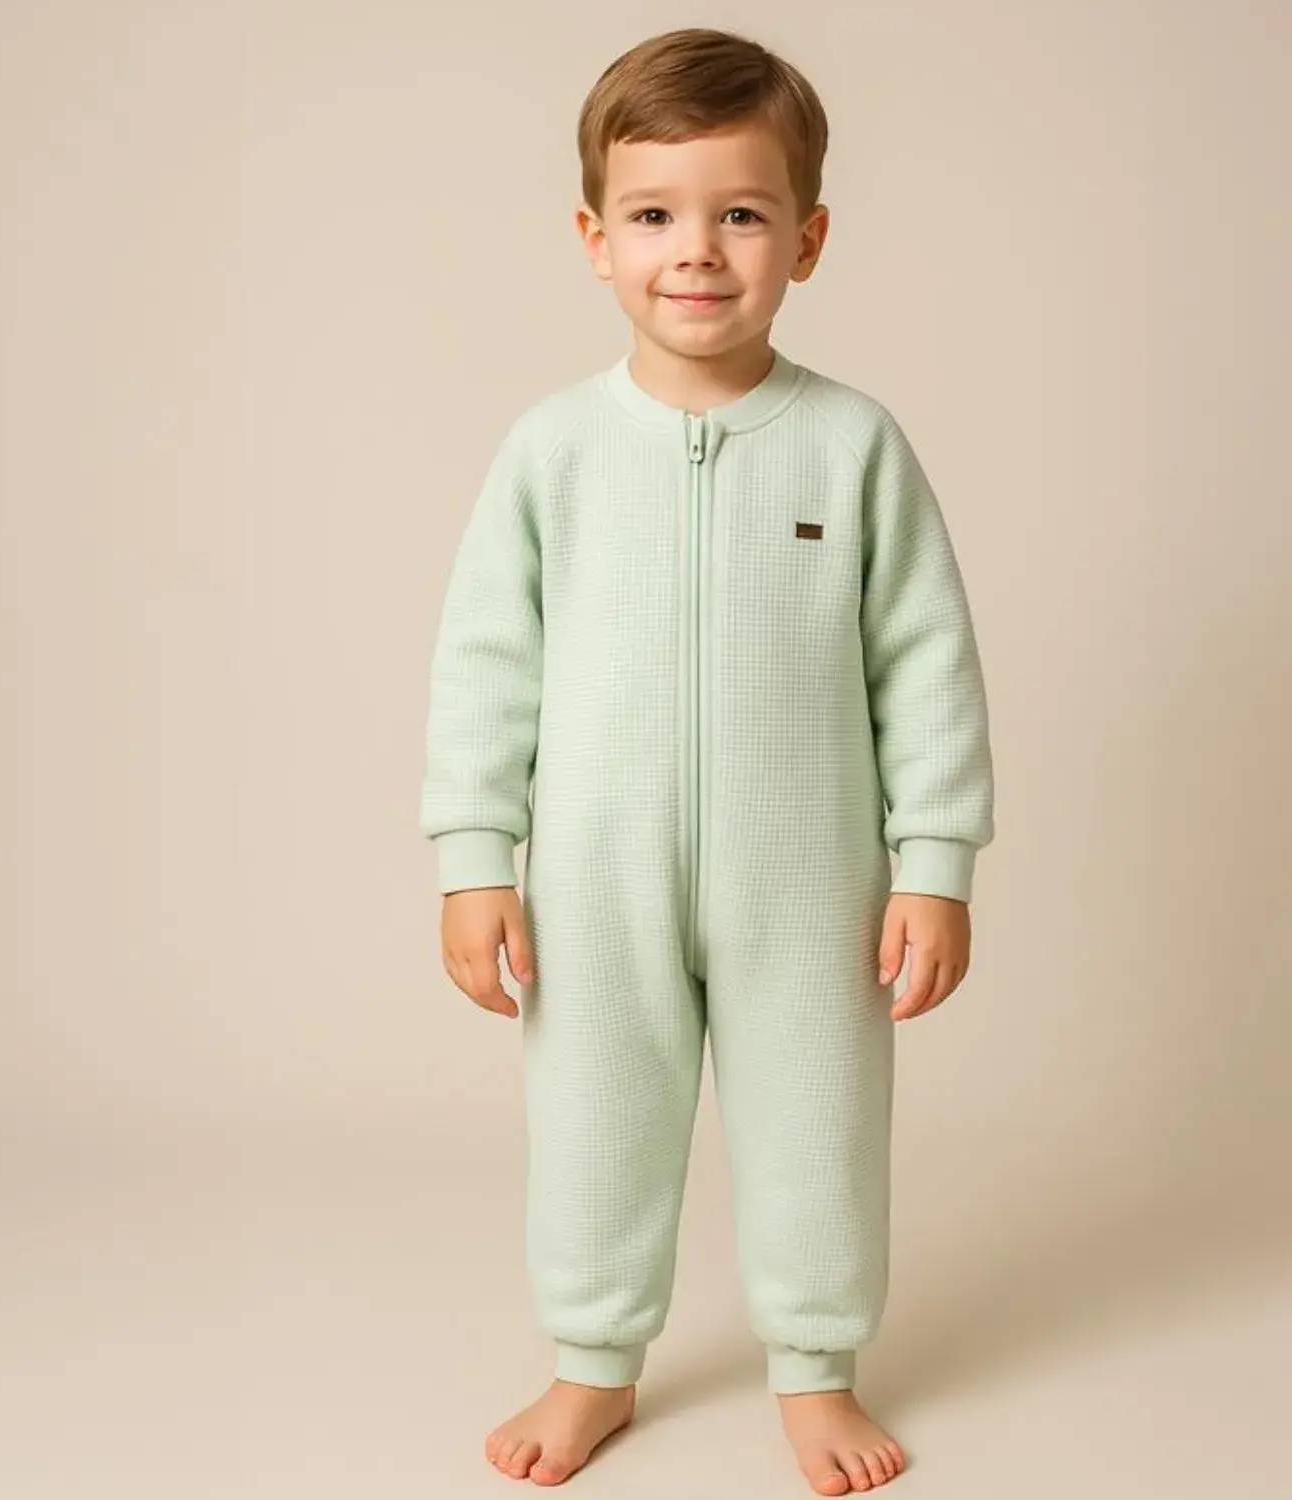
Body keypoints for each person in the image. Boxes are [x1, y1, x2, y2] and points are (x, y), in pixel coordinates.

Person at [419, 25, 995, 1495]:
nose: (695, 250)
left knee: (820, 1127)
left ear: (807, 238)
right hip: (595, 882)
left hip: (811, 883)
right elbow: (485, 666)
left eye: (740, 212)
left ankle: (816, 1366)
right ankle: (592, 1361)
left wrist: (934, 865)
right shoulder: (551, 451)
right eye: (654, 215)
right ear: (594, 241)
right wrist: (475, 860)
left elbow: (926, 661)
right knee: (593, 1127)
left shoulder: (854, 446)